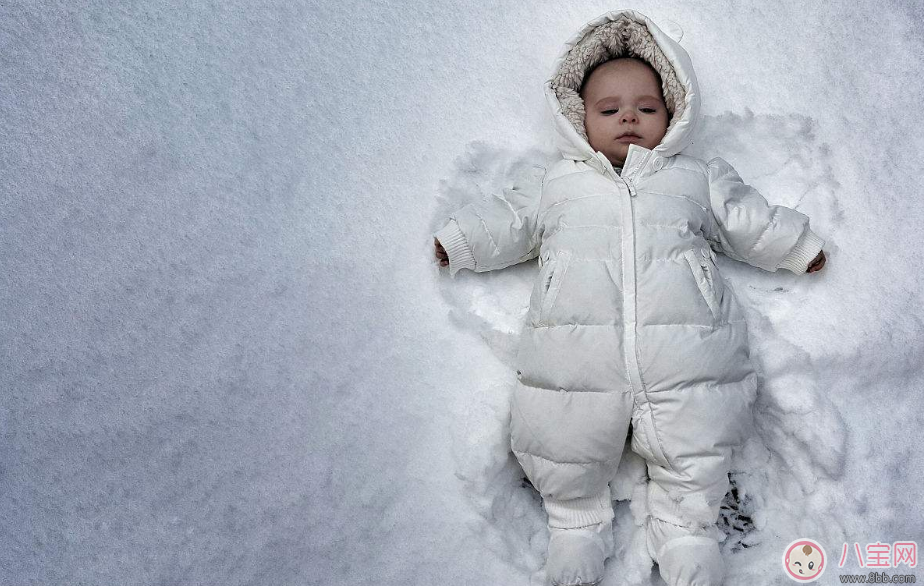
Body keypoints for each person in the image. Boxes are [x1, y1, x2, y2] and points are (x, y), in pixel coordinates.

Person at [433, 10, 826, 586]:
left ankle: (689, 532)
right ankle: (574, 526)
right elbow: (511, 220)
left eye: (646, 108)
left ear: (672, 111)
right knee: (560, 436)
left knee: (700, 436)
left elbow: (745, 219)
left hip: (689, 350)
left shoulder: (695, 176)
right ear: (577, 117)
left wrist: (797, 245)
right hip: (574, 353)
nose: (629, 119)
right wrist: (463, 240)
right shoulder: (555, 183)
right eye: (610, 110)